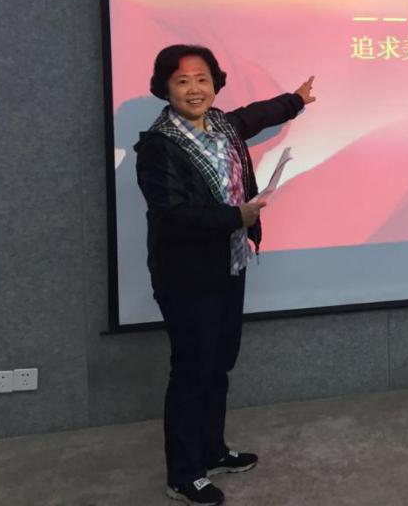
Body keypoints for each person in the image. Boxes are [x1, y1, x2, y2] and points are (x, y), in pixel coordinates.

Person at [135, 44, 316, 505]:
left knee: (218, 365)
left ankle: (212, 451)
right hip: (187, 277)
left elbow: (255, 116)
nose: (194, 89)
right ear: (165, 88)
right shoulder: (158, 147)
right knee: (192, 371)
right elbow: (173, 216)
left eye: (202, 79)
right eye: (182, 81)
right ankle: (183, 474)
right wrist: (237, 216)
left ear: (215, 83)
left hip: (230, 264)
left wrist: (294, 101)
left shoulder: (221, 125)